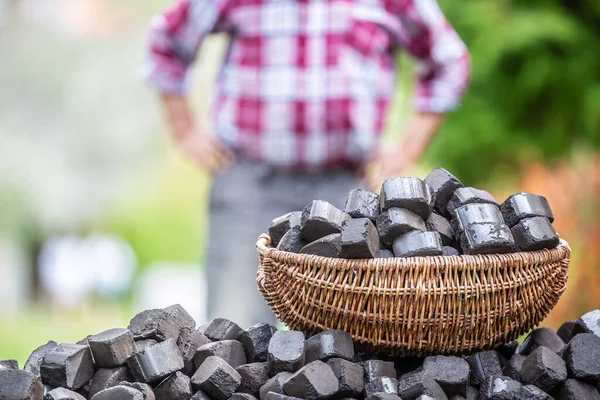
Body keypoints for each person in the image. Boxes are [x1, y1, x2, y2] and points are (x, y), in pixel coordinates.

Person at [143, 0, 470, 328]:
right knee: (232, 336)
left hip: (349, 196)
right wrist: (184, 130)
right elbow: (166, 39)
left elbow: (448, 61)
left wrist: (407, 148)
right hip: (250, 189)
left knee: (350, 339)